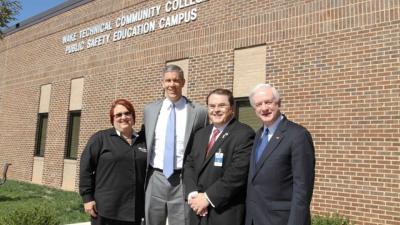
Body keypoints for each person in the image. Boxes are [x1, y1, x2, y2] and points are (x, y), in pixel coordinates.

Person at [143, 64, 208, 225]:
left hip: (182, 179)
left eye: (176, 80)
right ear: (162, 83)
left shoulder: (198, 112)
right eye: (168, 80)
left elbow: (201, 147)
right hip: (155, 177)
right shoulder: (150, 110)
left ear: (183, 82)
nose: (172, 84)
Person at [245, 84, 315, 225]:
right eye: (258, 104)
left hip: (280, 220)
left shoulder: (298, 135)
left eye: (268, 102)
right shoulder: (258, 135)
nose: (264, 108)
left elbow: (302, 188)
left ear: (279, 103)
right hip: (254, 218)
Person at [184, 88, 255, 225]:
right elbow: (189, 164)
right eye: (212, 106)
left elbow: (237, 174)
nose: (216, 110)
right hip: (197, 210)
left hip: (224, 212)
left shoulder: (244, 134)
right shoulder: (200, 134)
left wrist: (207, 198)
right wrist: (193, 194)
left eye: (222, 105)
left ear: (232, 108)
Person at [79, 99, 146, 225]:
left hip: (134, 211)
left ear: (133, 116)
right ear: (112, 118)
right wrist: (87, 198)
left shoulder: (143, 141)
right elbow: (85, 168)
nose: (123, 117)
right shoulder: (101, 138)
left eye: (127, 113)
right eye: (118, 115)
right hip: (105, 210)